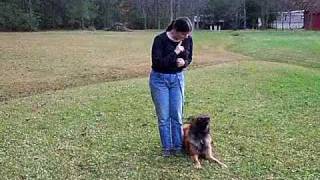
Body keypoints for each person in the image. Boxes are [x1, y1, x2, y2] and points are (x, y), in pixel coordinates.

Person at [149, 17, 193, 157]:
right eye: (184, 34)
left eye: (188, 34)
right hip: (159, 79)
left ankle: (178, 146)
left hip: (177, 79)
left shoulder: (187, 39)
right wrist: (175, 52)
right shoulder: (160, 40)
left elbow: (189, 58)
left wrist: (184, 63)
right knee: (163, 116)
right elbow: (157, 63)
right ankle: (167, 148)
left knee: (177, 115)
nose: (186, 37)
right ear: (175, 30)